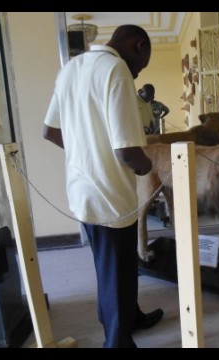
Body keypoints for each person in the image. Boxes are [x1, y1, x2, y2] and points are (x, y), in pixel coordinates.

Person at [42, 24, 163, 348]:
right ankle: (117, 340)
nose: (138, 75)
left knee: (111, 266)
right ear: (138, 46)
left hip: (81, 190)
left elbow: (50, 131)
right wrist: (150, 167)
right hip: (110, 194)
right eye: (142, 65)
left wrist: (87, 152)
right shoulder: (116, 70)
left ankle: (130, 317)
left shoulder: (71, 68)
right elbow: (127, 151)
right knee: (116, 273)